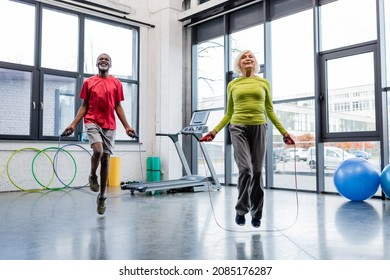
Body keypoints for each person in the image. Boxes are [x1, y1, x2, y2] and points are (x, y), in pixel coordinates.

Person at [200, 50, 294, 228]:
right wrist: (214, 131)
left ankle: (256, 214)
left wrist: (284, 133)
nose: (248, 58)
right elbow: (229, 113)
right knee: (246, 170)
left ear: (255, 62)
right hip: (238, 127)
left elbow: (270, 110)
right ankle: (241, 209)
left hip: (259, 126)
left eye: (251, 56)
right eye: (243, 57)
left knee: (257, 172)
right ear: (239, 63)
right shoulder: (233, 84)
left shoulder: (263, 83)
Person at [62, 53, 137, 215]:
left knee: (106, 160)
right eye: (101, 59)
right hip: (92, 121)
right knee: (98, 150)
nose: (103, 61)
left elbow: (118, 106)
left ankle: (102, 197)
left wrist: (127, 127)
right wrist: (73, 124)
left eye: (107, 59)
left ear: (110, 64)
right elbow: (84, 106)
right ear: (97, 64)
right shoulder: (89, 82)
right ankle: (92, 175)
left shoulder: (116, 83)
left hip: (109, 125)